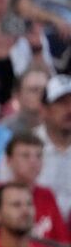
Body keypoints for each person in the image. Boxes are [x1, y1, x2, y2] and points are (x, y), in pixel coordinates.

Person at [0, 132, 68, 242]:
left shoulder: (47, 195)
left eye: (39, 155)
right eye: (25, 156)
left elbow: (62, 243)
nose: (34, 162)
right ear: (9, 161)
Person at [37, 74, 71, 216]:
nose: (69, 109)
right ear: (44, 110)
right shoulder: (27, 146)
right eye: (61, 103)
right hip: (37, 231)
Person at [3, 68, 49, 133]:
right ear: (17, 95)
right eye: (34, 90)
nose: (41, 95)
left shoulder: (59, 126)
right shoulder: (4, 129)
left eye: (45, 91)